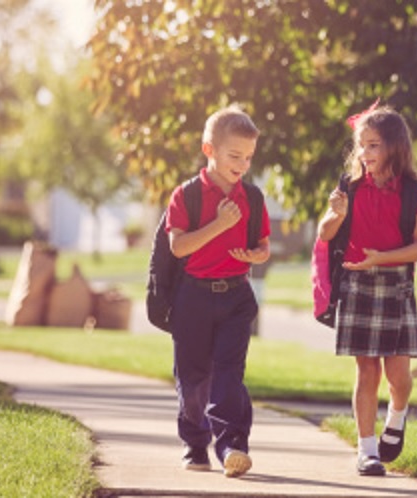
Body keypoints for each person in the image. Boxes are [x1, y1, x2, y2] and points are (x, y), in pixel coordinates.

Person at [317, 104, 417, 476]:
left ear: (394, 148)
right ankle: (367, 451)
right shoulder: (348, 187)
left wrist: (380, 258)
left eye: (373, 146)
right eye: (361, 146)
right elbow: (324, 234)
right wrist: (335, 214)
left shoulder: (412, 192)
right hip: (357, 283)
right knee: (367, 372)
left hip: (395, 285)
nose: (364, 154)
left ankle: (397, 417)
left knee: (398, 376)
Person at [165, 105, 271, 478]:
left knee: (229, 374)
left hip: (236, 297)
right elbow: (178, 247)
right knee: (193, 378)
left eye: (248, 157)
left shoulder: (254, 198)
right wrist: (218, 224)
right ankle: (195, 444)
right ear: (209, 149)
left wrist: (255, 255)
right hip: (193, 297)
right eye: (234, 155)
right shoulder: (186, 196)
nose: (242, 164)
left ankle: (231, 446)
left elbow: (263, 246)